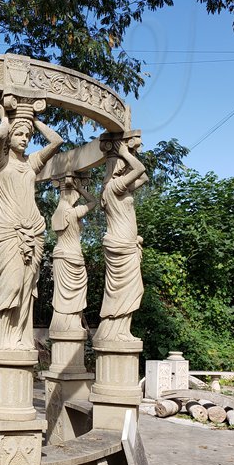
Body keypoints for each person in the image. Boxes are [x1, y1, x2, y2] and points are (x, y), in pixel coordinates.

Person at [0, 101, 63, 350]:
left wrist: (34, 119)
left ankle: (19, 338)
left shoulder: (31, 164)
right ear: (10, 137)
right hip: (8, 231)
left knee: (27, 288)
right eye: (19, 134)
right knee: (12, 283)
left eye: (27, 135)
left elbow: (57, 142)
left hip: (34, 233)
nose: (25, 139)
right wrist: (6, 118)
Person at [95, 141, 148, 342]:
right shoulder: (114, 186)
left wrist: (128, 155)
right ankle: (114, 331)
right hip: (121, 245)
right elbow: (140, 168)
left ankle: (121, 331)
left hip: (127, 243)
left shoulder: (122, 188)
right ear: (118, 167)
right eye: (124, 166)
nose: (127, 169)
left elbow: (143, 176)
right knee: (128, 289)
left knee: (132, 289)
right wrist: (126, 153)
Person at [50, 177, 97, 333]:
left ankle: (63, 323)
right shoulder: (74, 212)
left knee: (62, 293)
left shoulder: (56, 214)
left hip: (59, 256)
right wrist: (81, 189)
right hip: (73, 256)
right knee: (77, 292)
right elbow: (93, 202)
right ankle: (71, 324)